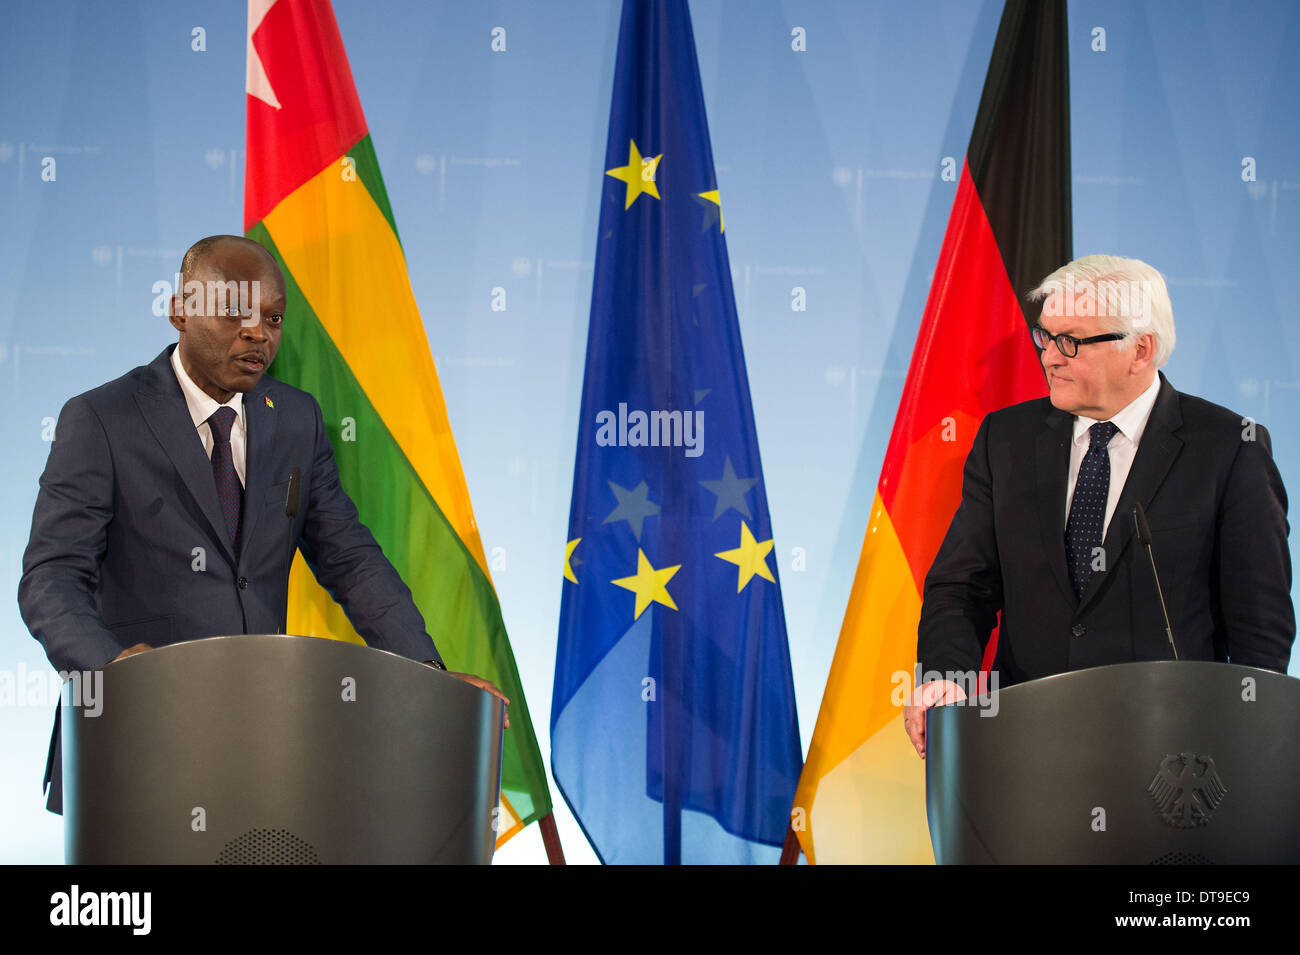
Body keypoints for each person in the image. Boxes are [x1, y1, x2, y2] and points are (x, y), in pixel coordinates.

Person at [19, 235, 508, 812]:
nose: (259, 333)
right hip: (135, 745)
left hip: (264, 748)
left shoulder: (296, 419)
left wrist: (429, 675)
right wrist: (117, 672)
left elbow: (351, 561)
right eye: (236, 312)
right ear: (179, 309)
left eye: (273, 318)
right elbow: (50, 580)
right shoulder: (101, 418)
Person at [904, 254, 1294, 758]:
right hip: (1024, 749)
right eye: (1045, 336)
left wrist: (1249, 744)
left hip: (1172, 760)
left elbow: (1259, 627)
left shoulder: (1229, 448)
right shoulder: (1007, 439)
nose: (1049, 357)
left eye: (1071, 341)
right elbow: (961, 587)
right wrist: (948, 677)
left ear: (1141, 350)